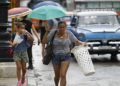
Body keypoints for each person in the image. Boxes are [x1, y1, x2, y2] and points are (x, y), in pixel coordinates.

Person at [42, 21, 87, 86]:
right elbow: (44, 41)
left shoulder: (69, 33)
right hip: (55, 57)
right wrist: (46, 31)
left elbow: (76, 41)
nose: (61, 29)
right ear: (58, 27)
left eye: (63, 27)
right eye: (60, 27)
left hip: (66, 56)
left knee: (63, 75)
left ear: (65, 27)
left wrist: (83, 43)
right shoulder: (53, 33)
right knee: (57, 76)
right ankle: (56, 84)